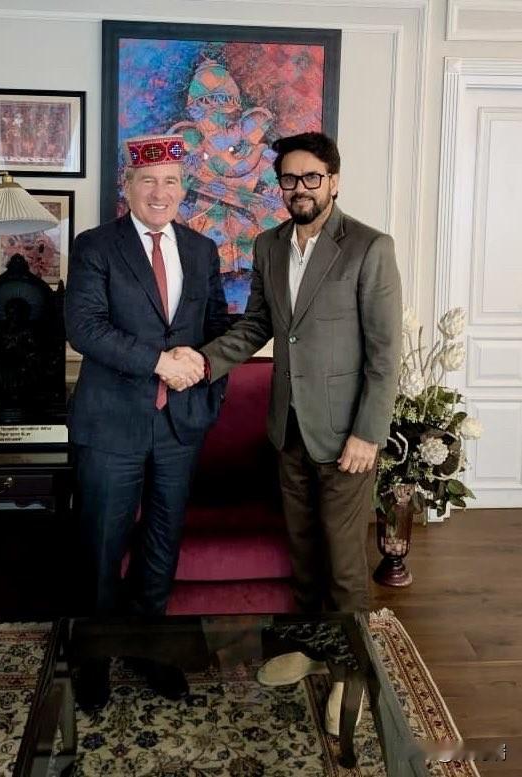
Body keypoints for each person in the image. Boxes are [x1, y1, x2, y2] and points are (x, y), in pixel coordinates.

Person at [172, 132, 402, 734]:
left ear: (334, 182)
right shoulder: (269, 245)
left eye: (311, 178)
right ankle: (312, 649)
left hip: (346, 437)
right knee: (302, 556)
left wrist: (368, 433)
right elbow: (257, 326)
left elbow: (385, 355)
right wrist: (201, 362)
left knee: (343, 565)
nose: (299, 189)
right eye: (289, 179)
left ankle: (352, 676)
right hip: (288, 430)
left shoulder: (369, 247)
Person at [64, 133, 229, 710]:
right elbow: (85, 328)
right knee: (101, 546)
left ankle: (148, 648)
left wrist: (203, 368)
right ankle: (93, 658)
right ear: (127, 186)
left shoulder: (202, 249)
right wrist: (160, 362)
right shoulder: (95, 247)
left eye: (171, 182)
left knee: (162, 544)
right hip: (112, 423)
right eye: (149, 181)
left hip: (179, 424)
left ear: (184, 189)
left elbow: (216, 325)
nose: (161, 192)